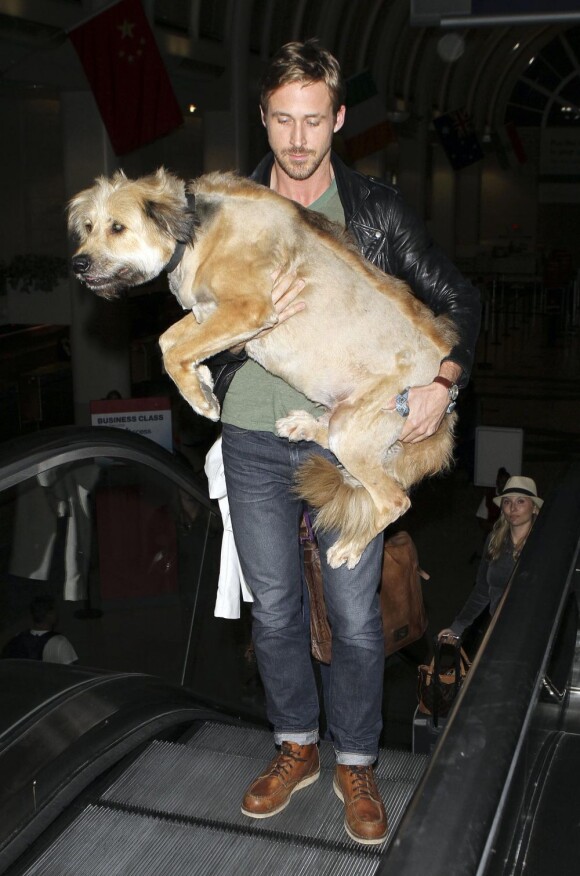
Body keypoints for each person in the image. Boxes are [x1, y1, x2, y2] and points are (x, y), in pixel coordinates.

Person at [210, 39, 481, 845]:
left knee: (358, 620)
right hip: (254, 434)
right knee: (277, 613)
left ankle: (355, 760)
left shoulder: (375, 210)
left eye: (313, 121)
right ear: (264, 117)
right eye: (283, 120)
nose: (297, 140)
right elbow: (197, 304)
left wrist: (446, 379)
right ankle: (295, 748)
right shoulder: (231, 208)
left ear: (337, 118)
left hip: (347, 442)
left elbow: (457, 294)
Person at [439, 476, 543, 646]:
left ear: (534, 508)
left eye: (521, 501)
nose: (513, 508)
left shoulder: (541, 543)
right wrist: (457, 626)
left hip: (531, 632)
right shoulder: (494, 541)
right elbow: (482, 589)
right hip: (498, 629)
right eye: (507, 502)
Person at [1, 594, 78, 664]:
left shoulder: (17, 640)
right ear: (49, 614)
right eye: (55, 611)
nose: (57, 614)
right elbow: (73, 675)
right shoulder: (60, 642)